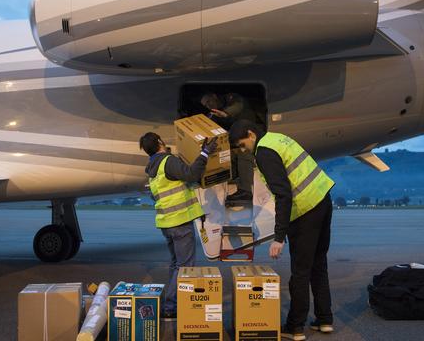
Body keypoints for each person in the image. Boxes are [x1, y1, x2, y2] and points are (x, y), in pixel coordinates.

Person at [228, 120, 336, 340]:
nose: (243, 150)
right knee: (318, 265)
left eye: (241, 145)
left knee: (300, 271)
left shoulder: (264, 152)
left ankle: (295, 327)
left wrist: (279, 237)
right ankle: (324, 320)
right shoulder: (278, 139)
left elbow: (283, 194)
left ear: (250, 134)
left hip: (306, 210)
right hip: (323, 199)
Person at [139, 132, 217, 320]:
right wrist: (205, 153)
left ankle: (170, 303)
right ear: (160, 142)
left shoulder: (152, 170)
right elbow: (191, 174)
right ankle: (171, 307)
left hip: (167, 223)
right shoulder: (167, 161)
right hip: (180, 222)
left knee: (176, 265)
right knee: (185, 266)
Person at [200, 92, 256, 203]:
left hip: (250, 134)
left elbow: (238, 106)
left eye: (209, 102)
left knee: (243, 154)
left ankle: (246, 191)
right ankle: (234, 178)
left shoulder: (231, 98)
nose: (209, 106)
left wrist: (225, 114)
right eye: (206, 105)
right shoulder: (215, 113)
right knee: (228, 156)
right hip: (239, 134)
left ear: (214, 96)